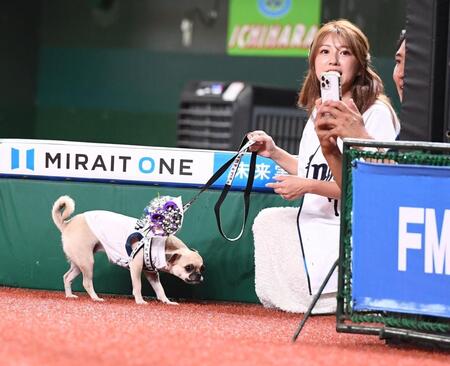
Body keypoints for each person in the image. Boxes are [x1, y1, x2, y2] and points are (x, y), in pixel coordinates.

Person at [249, 20, 400, 314]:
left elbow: (366, 188)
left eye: (344, 53)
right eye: (325, 52)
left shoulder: (375, 112)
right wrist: (275, 153)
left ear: (359, 64)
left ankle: (334, 298)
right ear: (314, 61)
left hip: (352, 226)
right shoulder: (319, 109)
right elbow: (313, 169)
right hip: (315, 218)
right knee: (268, 221)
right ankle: (312, 299)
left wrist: (307, 186)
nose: (333, 60)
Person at [315, 30, 406, 187]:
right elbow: (358, 190)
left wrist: (361, 138)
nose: (402, 73)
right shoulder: (318, 112)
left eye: (344, 52)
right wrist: (330, 151)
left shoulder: (378, 111)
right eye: (398, 62)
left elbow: (395, 186)